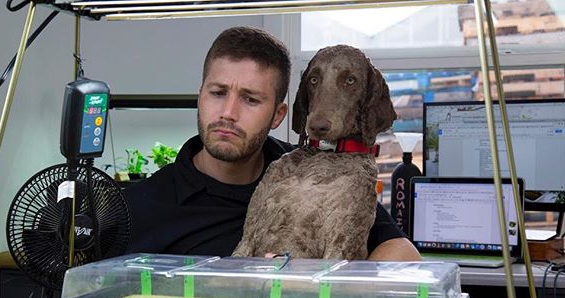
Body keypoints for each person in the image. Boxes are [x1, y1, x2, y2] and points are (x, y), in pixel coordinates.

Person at [124, 26, 421, 261]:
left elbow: (405, 254)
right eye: (217, 93)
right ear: (200, 95)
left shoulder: (314, 172)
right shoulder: (139, 208)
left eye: (250, 99)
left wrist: (321, 282)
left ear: (278, 115)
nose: (228, 113)